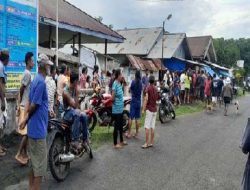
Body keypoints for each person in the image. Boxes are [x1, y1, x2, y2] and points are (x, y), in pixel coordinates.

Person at [19, 54, 53, 190]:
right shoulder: (41, 83)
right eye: (48, 65)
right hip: (38, 131)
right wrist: (25, 119)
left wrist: (25, 120)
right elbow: (34, 105)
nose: (50, 67)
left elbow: (29, 101)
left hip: (34, 129)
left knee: (33, 164)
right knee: (39, 167)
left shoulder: (35, 80)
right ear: (44, 66)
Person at [15, 52, 34, 164]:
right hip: (24, 106)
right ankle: (18, 154)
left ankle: (25, 154)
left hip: (25, 104)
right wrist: (20, 102)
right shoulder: (27, 73)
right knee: (26, 133)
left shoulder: (28, 73)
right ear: (27, 61)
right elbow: (22, 88)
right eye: (31, 60)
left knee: (26, 132)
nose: (33, 62)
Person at [62, 72, 89, 146]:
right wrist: (77, 93)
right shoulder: (66, 91)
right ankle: (75, 140)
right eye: (78, 81)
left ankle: (84, 140)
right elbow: (74, 106)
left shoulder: (74, 88)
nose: (79, 83)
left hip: (73, 112)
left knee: (84, 115)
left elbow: (76, 107)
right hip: (66, 114)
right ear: (75, 81)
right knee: (77, 112)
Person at [111, 69, 127, 149]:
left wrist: (123, 81)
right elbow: (112, 97)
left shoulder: (119, 83)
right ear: (117, 76)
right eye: (121, 75)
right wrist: (117, 102)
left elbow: (125, 86)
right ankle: (115, 143)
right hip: (116, 109)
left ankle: (121, 140)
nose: (122, 76)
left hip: (120, 109)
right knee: (116, 127)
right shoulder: (115, 84)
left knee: (121, 126)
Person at [141, 75, 159, 149]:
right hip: (155, 109)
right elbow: (157, 98)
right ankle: (151, 142)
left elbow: (146, 99)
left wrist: (143, 109)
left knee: (147, 127)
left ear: (149, 81)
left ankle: (146, 143)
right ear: (154, 81)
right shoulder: (156, 88)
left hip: (149, 110)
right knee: (152, 127)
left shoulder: (148, 88)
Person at [126, 70, 142, 139]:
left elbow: (129, 90)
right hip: (139, 101)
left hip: (133, 101)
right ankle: (137, 133)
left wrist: (131, 90)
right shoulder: (141, 83)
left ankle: (129, 133)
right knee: (137, 118)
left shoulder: (133, 82)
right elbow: (141, 91)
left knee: (130, 117)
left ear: (135, 75)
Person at [0, 49, 9, 157]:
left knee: (2, 123)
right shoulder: (1, 67)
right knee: (0, 124)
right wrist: (3, 100)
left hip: (1, 98)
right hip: (0, 99)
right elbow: (0, 85)